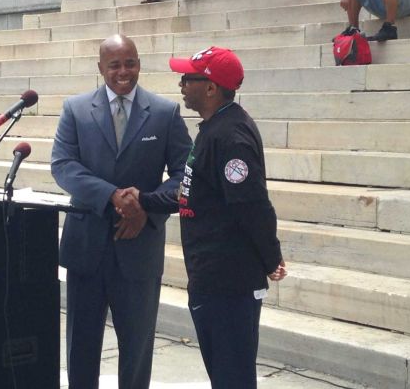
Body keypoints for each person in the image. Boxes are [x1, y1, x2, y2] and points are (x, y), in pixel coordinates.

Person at [118, 46, 287, 388]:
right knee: (223, 373)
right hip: (211, 277)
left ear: (211, 88)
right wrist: (145, 199)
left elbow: (252, 206)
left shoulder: (231, 137)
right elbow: (192, 192)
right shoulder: (214, 128)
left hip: (230, 281)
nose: (181, 83)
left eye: (189, 78)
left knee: (232, 376)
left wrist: (271, 257)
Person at [50, 34, 192, 389]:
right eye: (114, 64)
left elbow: (186, 177)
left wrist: (146, 207)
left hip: (139, 247)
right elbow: (63, 166)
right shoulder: (76, 109)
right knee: (81, 346)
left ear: (139, 64)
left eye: (130, 63)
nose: (123, 71)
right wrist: (112, 196)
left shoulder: (165, 113)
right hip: (87, 247)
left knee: (137, 348)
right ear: (101, 68)